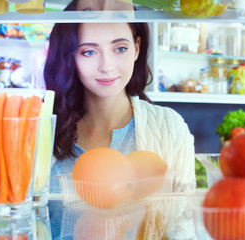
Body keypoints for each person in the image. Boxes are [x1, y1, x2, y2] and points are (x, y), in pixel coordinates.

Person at [44, 22, 196, 239]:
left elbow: (182, 225)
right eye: (89, 52)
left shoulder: (169, 127)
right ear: (70, 58)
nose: (107, 66)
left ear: (136, 48)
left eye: (120, 49)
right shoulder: (40, 129)